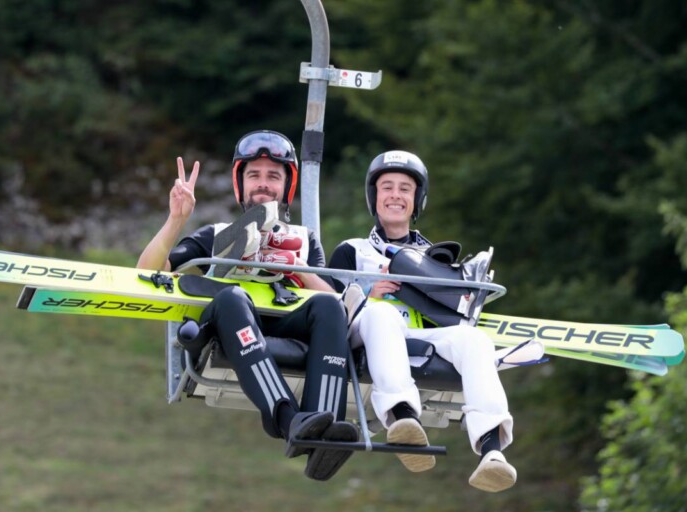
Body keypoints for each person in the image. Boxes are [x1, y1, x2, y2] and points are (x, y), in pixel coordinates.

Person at [138, 130, 358, 481]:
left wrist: (292, 268)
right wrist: (176, 219)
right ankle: (290, 421)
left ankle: (324, 433)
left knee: (329, 309)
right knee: (232, 297)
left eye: (273, 176)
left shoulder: (303, 240)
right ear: (241, 184)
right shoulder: (216, 233)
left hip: (287, 320)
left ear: (286, 186)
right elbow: (147, 272)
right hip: (231, 322)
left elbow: (337, 304)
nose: (263, 184)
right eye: (254, 175)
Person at [329, 150, 536, 492]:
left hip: (419, 334)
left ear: (417, 199)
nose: (395, 195)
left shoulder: (434, 258)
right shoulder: (351, 251)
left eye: (405, 189)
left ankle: (491, 450)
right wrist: (371, 294)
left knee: (476, 341)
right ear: (374, 196)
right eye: (387, 187)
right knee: (381, 315)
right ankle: (402, 417)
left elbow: (454, 315)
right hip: (368, 328)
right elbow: (331, 308)